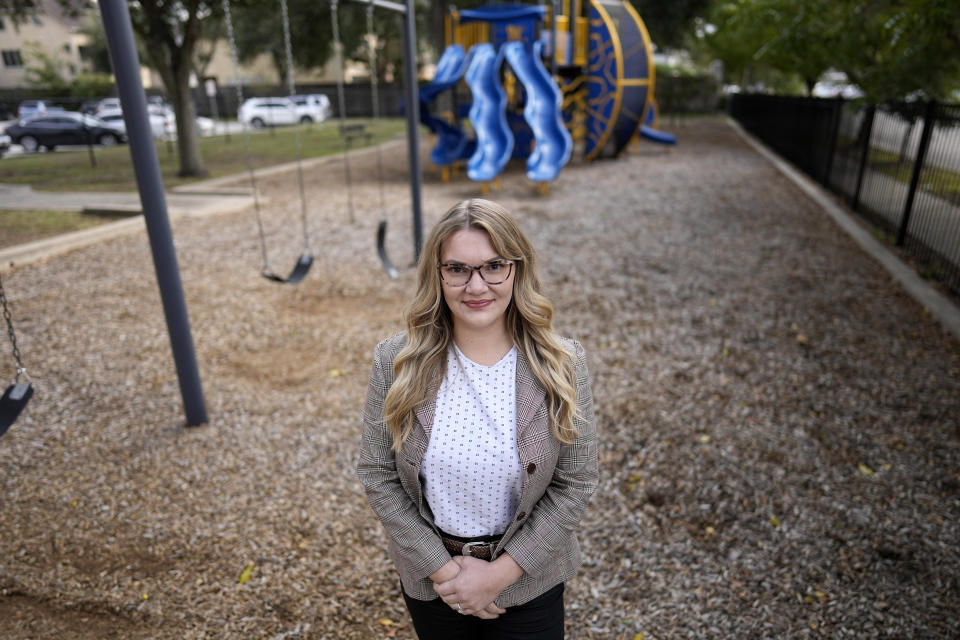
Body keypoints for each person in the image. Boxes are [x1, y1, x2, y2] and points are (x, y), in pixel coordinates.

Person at [357, 198, 598, 639]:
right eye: (458, 269)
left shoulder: (562, 362)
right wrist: (443, 571)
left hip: (527, 579)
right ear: (437, 274)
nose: (476, 285)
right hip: (434, 584)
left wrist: (498, 575)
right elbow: (377, 473)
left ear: (517, 270)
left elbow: (576, 482)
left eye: (494, 266)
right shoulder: (397, 360)